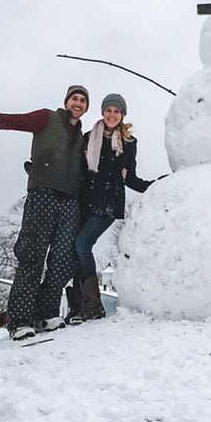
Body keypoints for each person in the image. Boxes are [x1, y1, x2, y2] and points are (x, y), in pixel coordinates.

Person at [0, 85, 90, 341]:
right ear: (66, 101)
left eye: (83, 100)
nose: (78, 103)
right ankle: (20, 321)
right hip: (42, 196)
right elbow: (10, 121)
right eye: (75, 98)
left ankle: (46, 313)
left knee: (62, 263)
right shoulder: (46, 118)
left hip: (70, 203)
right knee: (31, 258)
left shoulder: (84, 138)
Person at [71, 93, 154, 321]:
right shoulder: (89, 138)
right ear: (102, 112)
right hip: (85, 200)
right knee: (75, 249)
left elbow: (130, 178)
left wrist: (156, 185)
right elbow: (77, 169)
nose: (112, 115)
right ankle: (77, 306)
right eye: (109, 110)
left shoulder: (128, 143)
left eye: (117, 111)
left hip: (108, 203)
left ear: (122, 115)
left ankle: (93, 305)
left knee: (82, 242)